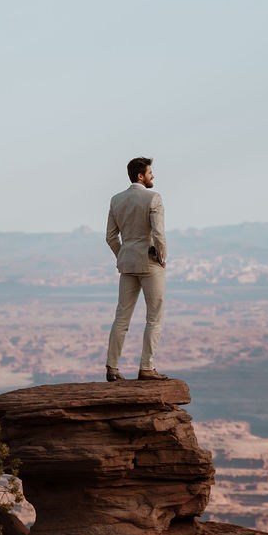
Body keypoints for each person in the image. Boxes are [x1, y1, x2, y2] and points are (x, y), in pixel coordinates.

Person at [104, 157, 168, 381]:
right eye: (151, 172)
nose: (153, 176)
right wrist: (162, 258)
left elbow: (111, 237)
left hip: (127, 263)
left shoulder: (116, 200)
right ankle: (147, 367)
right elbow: (158, 234)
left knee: (122, 317)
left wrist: (122, 254)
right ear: (140, 176)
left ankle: (112, 368)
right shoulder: (153, 198)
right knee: (154, 317)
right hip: (150, 262)